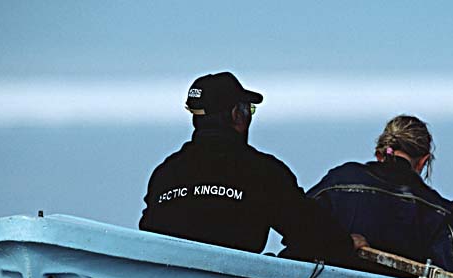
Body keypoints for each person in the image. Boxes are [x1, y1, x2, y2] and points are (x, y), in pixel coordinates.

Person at [139, 71, 366, 262]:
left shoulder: (165, 174)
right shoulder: (262, 172)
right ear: (237, 116)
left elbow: (147, 236)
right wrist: (346, 244)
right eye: (249, 110)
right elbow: (309, 231)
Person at [286, 114, 453, 278]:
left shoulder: (337, 181)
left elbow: (297, 229)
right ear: (423, 162)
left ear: (379, 154)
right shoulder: (440, 210)